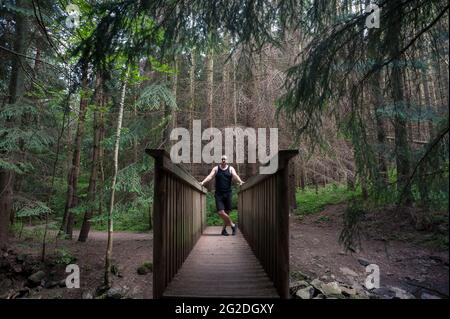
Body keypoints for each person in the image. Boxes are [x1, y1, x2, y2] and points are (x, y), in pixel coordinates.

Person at [200, 155, 245, 236]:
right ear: (220, 160)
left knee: (227, 213)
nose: (223, 160)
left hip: (228, 193)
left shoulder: (230, 168)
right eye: (222, 159)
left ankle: (223, 230)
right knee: (221, 212)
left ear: (227, 160)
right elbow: (210, 176)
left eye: (225, 159)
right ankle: (233, 225)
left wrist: (240, 181)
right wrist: (203, 182)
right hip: (219, 194)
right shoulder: (216, 168)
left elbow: (235, 176)